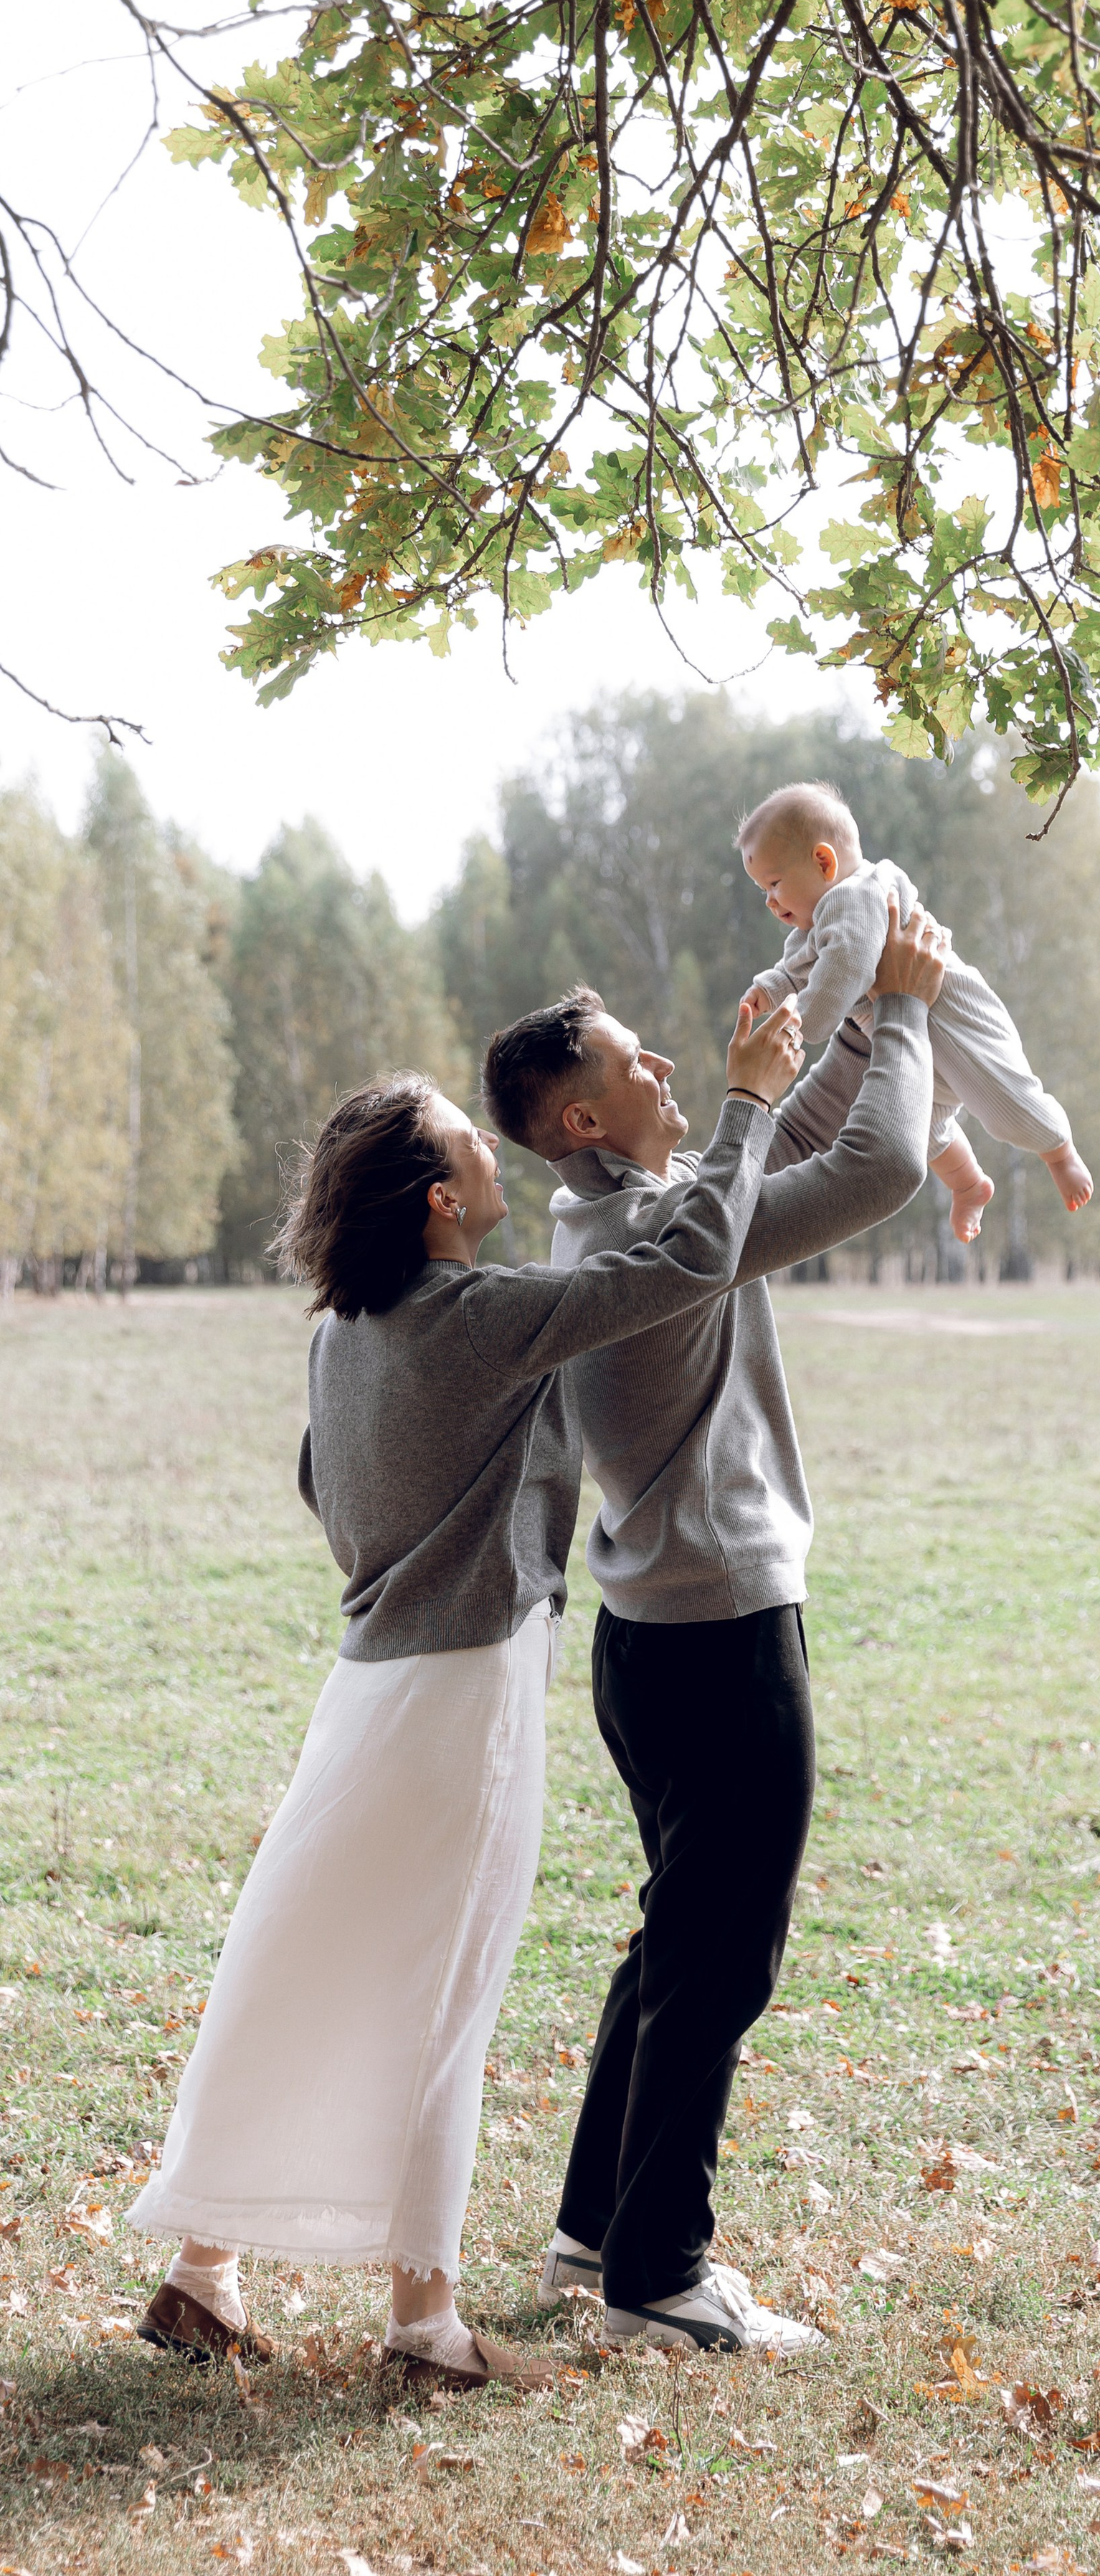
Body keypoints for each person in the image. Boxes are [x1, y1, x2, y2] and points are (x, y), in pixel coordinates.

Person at [125, 998, 805, 2387]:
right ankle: (424, 2322)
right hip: (466, 1698)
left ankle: (201, 2268)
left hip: (362, 1691)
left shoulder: (341, 1333)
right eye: (464, 1145)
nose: (494, 1160)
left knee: (290, 1964)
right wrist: (745, 1105)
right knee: (446, 1995)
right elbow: (676, 1266)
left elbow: (326, 1485)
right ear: (444, 1199)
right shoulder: (481, 1318)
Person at [479, 894, 946, 2355]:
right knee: (720, 1957)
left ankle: (594, 2229)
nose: (667, 1072)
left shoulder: (620, 1221)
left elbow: (785, 1136)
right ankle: (659, 2281)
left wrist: (855, 1009)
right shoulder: (650, 1243)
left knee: (672, 1942)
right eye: (632, 1064)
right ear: (574, 1119)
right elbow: (871, 1163)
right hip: (720, 1638)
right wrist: (912, 1012)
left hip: (653, 1643)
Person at [737, 779, 1093, 1244]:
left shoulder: (857, 896)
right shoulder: (817, 920)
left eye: (775, 884)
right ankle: (969, 1184)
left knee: (1007, 1108)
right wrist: (772, 988)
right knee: (921, 1127)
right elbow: (800, 967)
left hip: (956, 1023)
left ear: (824, 862)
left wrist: (802, 1024)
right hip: (914, 1033)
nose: (770, 901)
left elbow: (847, 967)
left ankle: (1060, 1150)